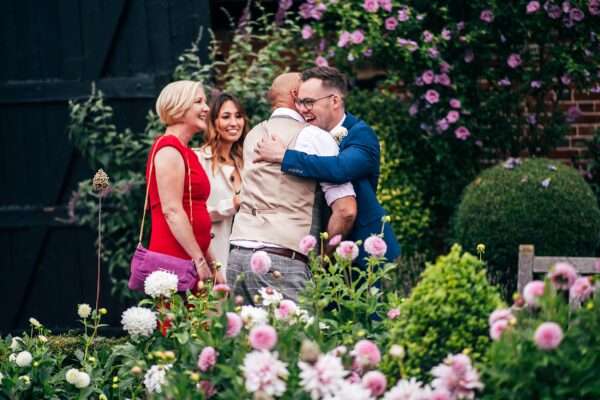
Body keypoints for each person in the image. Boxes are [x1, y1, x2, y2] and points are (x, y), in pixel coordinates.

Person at [227, 72, 357, 302]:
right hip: (282, 258)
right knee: (297, 338)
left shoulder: (253, 134)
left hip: (237, 255)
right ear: (296, 95)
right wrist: (322, 261)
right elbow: (346, 210)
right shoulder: (313, 136)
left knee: (249, 337)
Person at [254, 66, 401, 266]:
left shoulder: (360, 134)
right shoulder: (306, 136)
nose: (302, 109)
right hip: (323, 247)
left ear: (335, 101)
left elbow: (340, 169)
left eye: (309, 102)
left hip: (362, 252)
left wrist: (284, 157)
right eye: (299, 102)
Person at [147, 80, 224, 285]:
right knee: (178, 317)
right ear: (179, 108)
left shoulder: (186, 152)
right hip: (174, 261)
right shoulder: (168, 150)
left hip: (193, 259)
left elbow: (194, 212)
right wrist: (199, 261)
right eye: (198, 101)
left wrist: (213, 266)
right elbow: (172, 211)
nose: (206, 108)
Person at [194, 93, 248, 273]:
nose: (234, 123)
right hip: (213, 254)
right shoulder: (199, 160)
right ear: (213, 122)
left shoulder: (247, 163)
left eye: (238, 116)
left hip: (247, 258)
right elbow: (193, 214)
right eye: (226, 117)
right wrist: (231, 205)